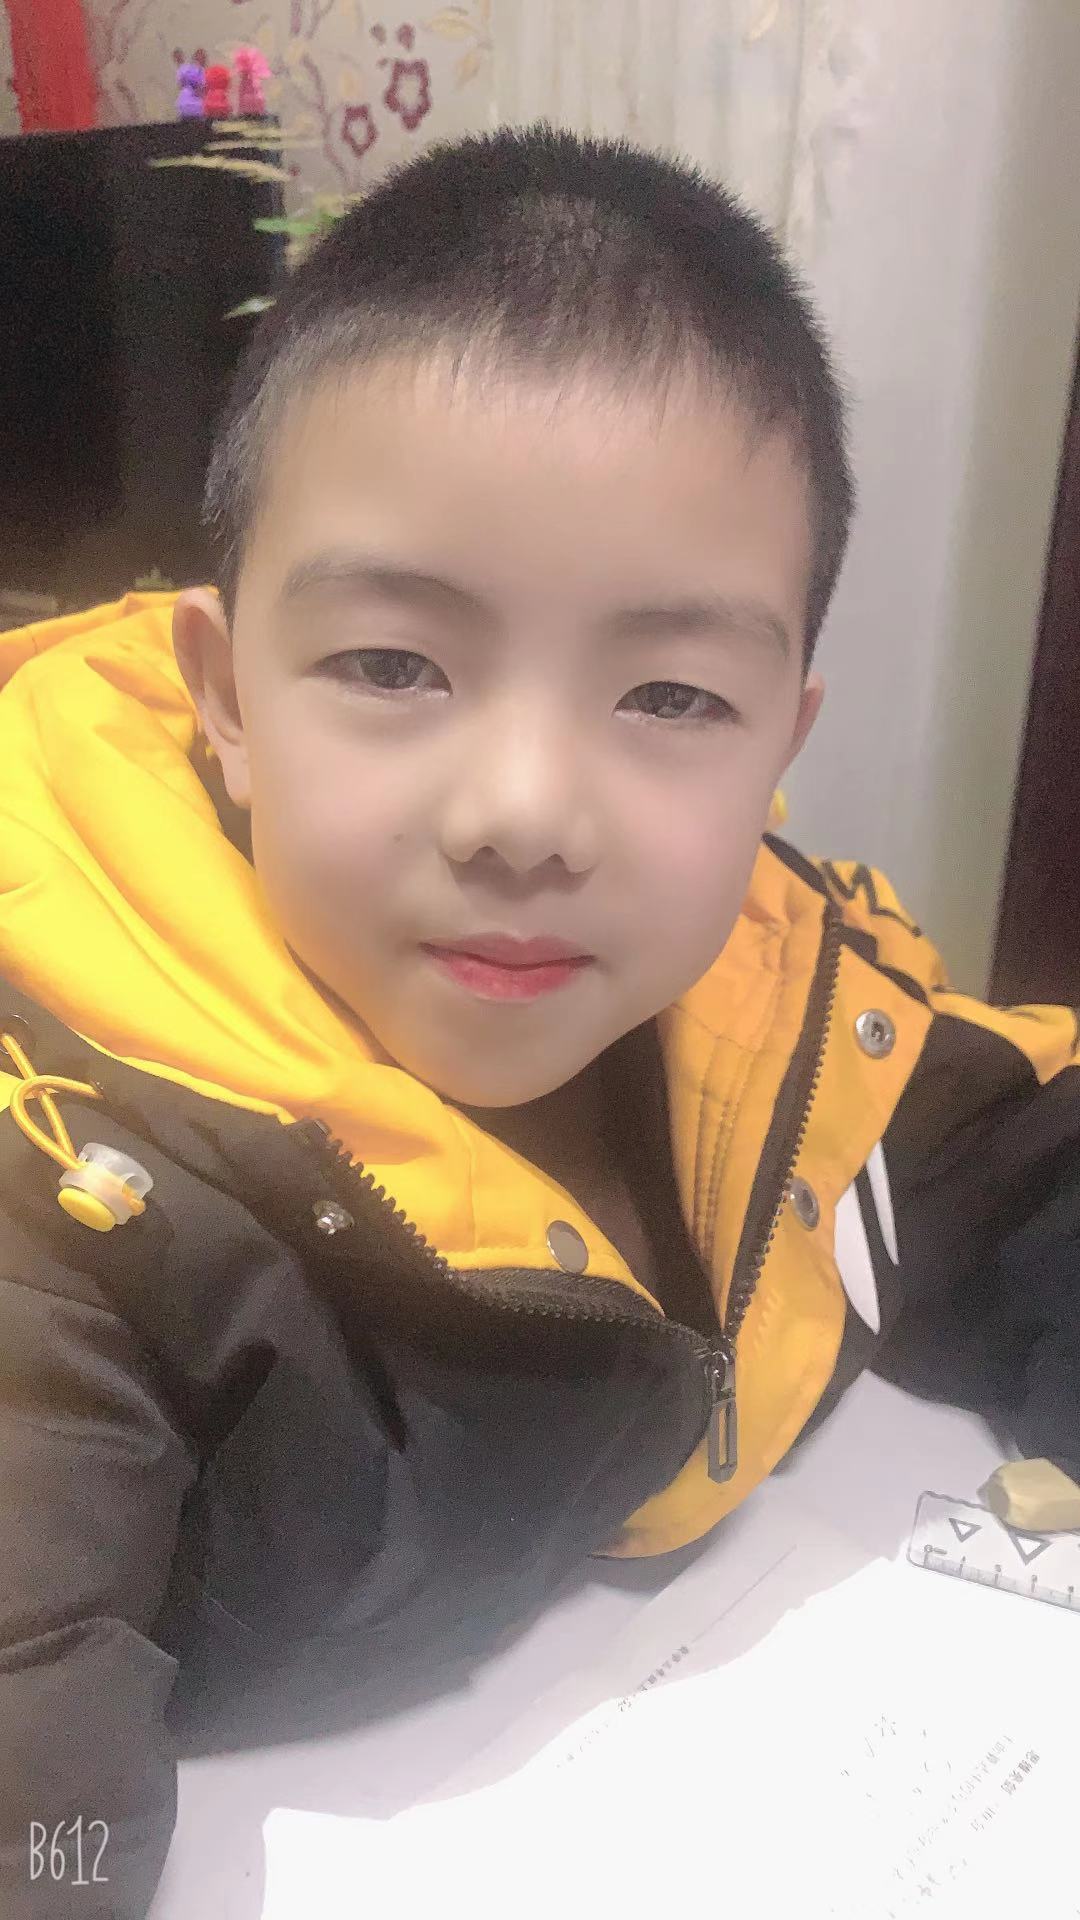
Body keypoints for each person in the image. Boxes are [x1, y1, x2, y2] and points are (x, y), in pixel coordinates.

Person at [1, 124, 1077, 1918]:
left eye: (671, 696)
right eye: (394, 665)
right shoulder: (69, 1181)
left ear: (780, 746)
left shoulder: (789, 1010)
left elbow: (1024, 1157)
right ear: (228, 699)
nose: (525, 812)